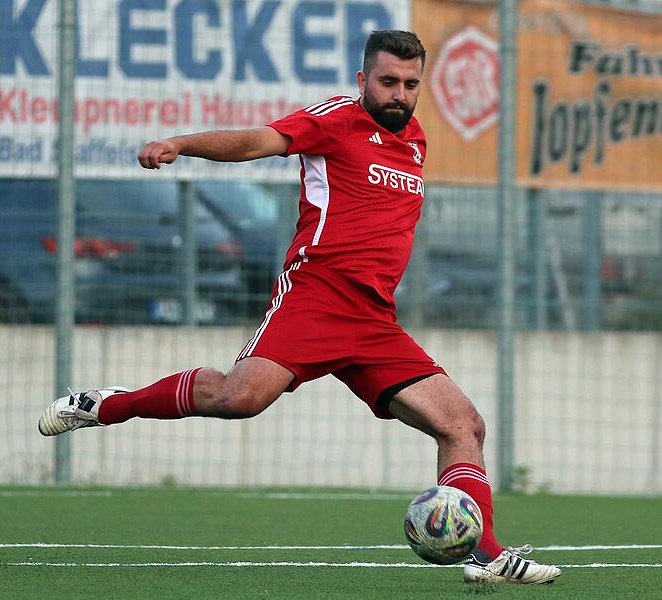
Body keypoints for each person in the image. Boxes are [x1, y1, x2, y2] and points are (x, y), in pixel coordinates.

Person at [38, 30, 560, 585]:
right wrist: (182, 144)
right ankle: (106, 404)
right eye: (387, 82)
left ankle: (486, 555)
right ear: (363, 80)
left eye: (410, 84)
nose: (399, 94)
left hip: (375, 319)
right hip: (316, 298)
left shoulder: (415, 141)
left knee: (464, 426)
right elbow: (257, 141)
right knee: (237, 398)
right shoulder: (335, 119)